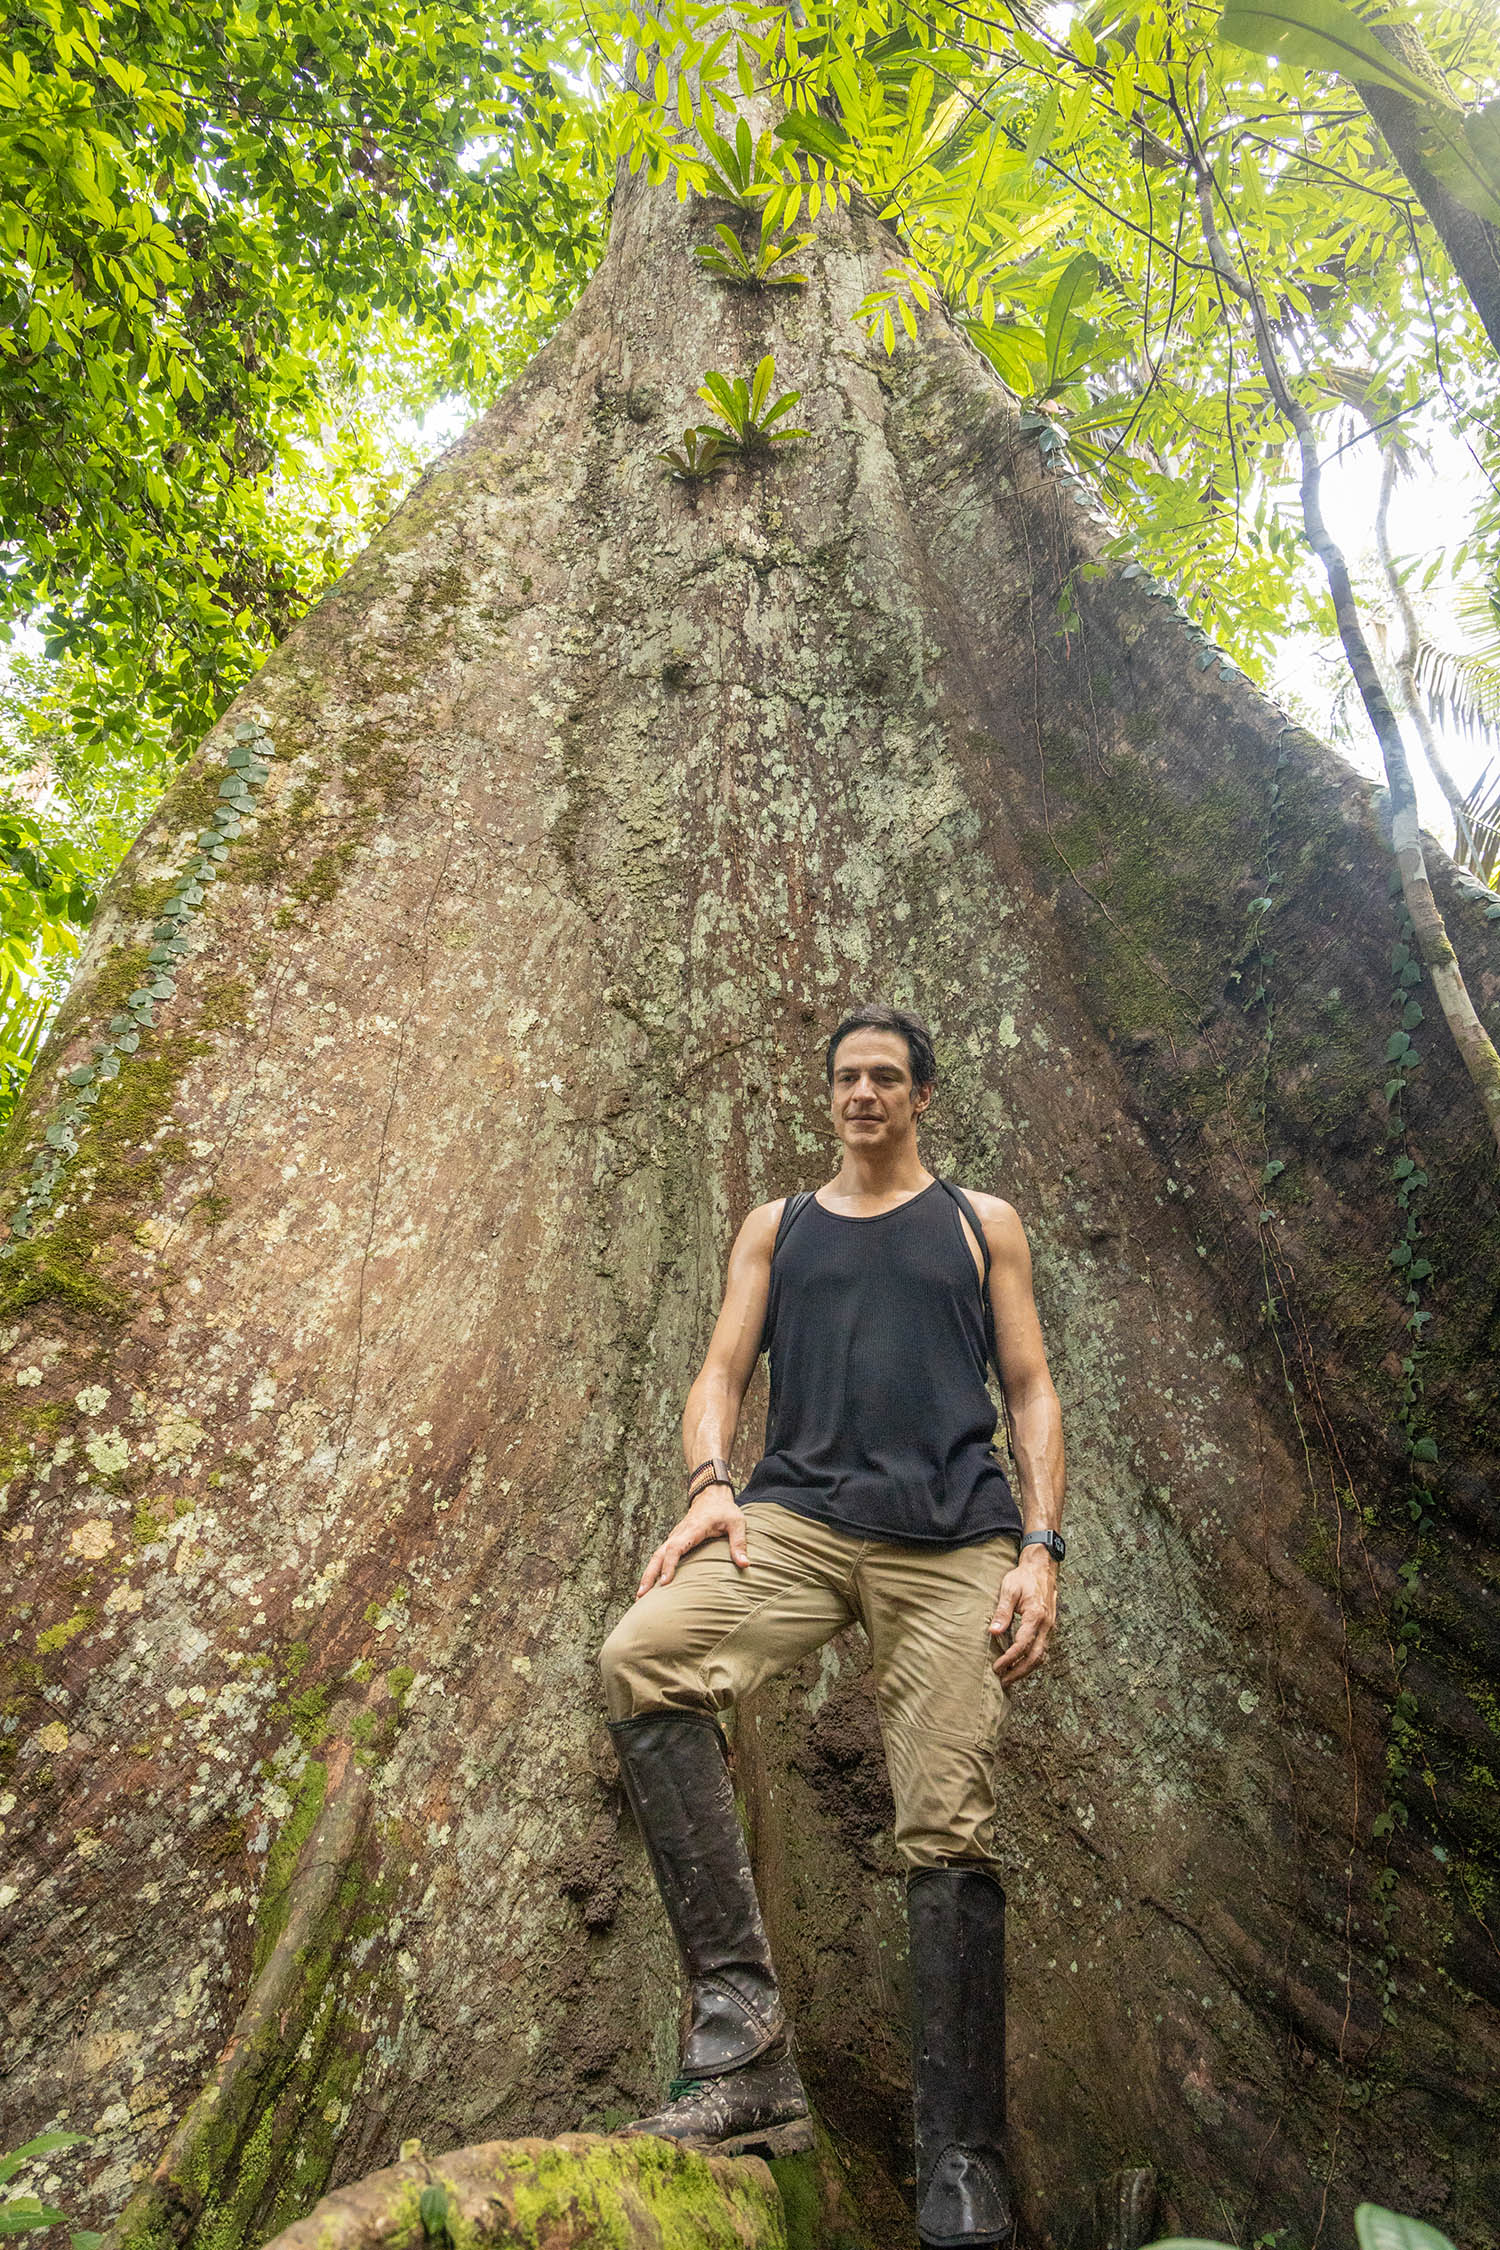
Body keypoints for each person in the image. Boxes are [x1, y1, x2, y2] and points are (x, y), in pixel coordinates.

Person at [599, 1002, 1065, 2250]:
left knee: (947, 1821)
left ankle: (960, 2159)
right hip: (793, 1525)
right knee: (643, 1659)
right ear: (831, 1096)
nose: (865, 1094)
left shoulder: (982, 1224)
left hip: (953, 1542)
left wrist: (1039, 1546)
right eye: (848, 1078)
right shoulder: (779, 1226)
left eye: (887, 1078)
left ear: (922, 1095)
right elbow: (718, 1374)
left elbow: (1029, 1387)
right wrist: (709, 1488)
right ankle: (742, 2050)